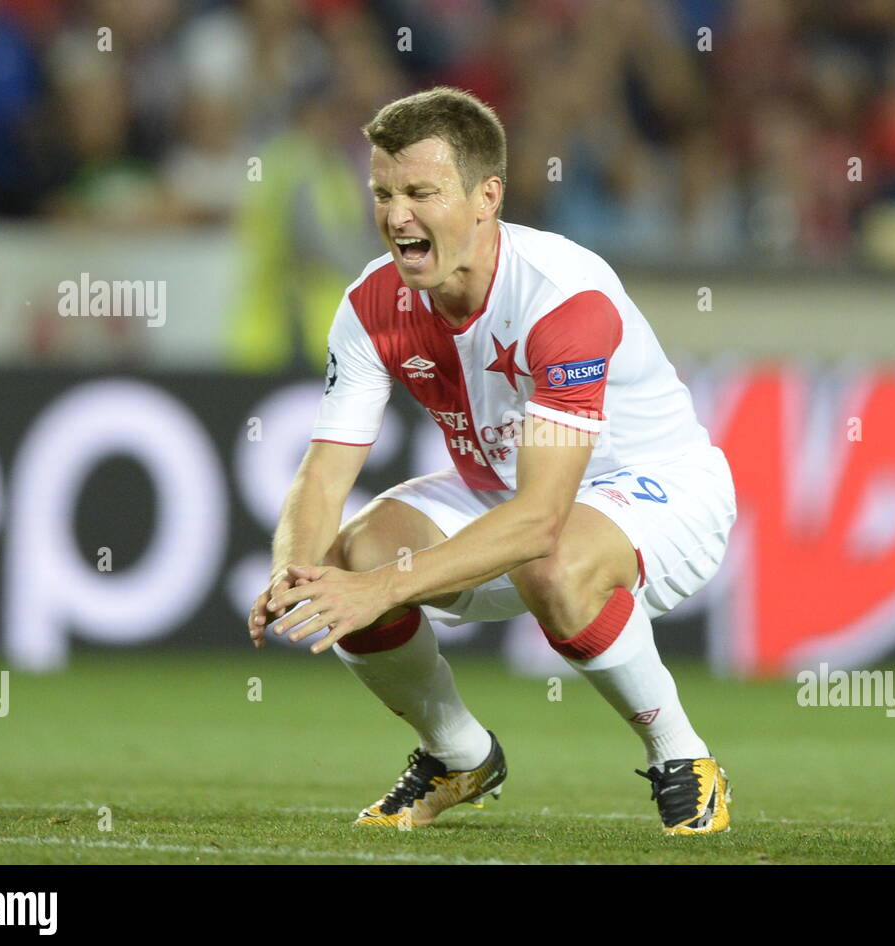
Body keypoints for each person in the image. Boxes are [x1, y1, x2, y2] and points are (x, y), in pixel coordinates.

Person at [247, 86, 736, 835]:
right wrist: (299, 573)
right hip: (505, 490)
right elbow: (323, 470)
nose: (395, 215)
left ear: (486, 198)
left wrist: (376, 589)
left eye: (420, 192)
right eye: (382, 191)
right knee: (356, 550)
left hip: (659, 491)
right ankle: (457, 754)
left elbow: (540, 521)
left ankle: (681, 754)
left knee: (549, 559)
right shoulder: (371, 304)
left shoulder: (561, 296)